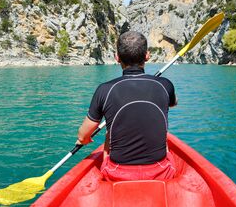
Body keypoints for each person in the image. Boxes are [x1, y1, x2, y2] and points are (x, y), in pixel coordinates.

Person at [76, 31, 178, 181]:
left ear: (117, 57)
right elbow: (173, 103)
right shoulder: (165, 85)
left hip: (116, 174)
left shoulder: (104, 90)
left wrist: (84, 140)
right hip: (161, 172)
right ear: (147, 55)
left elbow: (83, 135)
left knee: (109, 133)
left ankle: (111, 173)